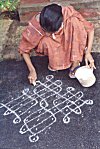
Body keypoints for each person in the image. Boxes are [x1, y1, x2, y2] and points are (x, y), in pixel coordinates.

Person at [18, 3, 96, 84]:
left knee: (75, 22)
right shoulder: (36, 24)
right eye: (45, 31)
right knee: (46, 40)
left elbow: (90, 29)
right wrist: (32, 70)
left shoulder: (68, 13)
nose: (47, 34)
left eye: (51, 31)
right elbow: (24, 49)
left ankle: (75, 63)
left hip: (67, 38)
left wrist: (88, 53)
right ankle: (57, 61)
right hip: (52, 44)